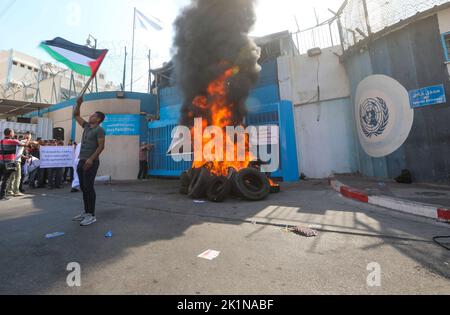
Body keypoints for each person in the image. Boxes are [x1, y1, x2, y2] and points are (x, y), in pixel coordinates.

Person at [72, 96, 106, 226]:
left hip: (91, 162)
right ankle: (86, 212)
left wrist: (91, 159)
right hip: (82, 161)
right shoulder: (86, 126)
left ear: (98, 119)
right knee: (83, 187)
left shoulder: (99, 130)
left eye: (93, 115)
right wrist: (79, 103)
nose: (90, 116)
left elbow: (101, 146)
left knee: (89, 187)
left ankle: (91, 215)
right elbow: (76, 115)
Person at [0, 129, 31, 201]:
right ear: (10, 133)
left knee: (4, 179)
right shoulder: (13, 141)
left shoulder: (1, 141)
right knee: (6, 180)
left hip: (1, 162)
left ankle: (3, 193)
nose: (14, 133)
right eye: (13, 132)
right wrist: (29, 138)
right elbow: (26, 145)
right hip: (10, 162)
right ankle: (2, 196)